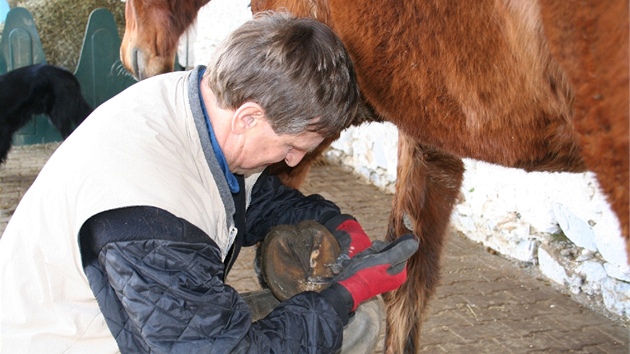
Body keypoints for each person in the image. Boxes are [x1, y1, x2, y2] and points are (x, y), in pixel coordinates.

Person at [0, 11, 418, 353]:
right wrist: (344, 294)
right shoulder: (150, 214)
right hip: (74, 343)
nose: (294, 159)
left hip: (136, 325)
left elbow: (255, 196)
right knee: (350, 323)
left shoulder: (198, 100)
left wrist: (338, 225)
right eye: (292, 145)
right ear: (249, 117)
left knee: (352, 319)